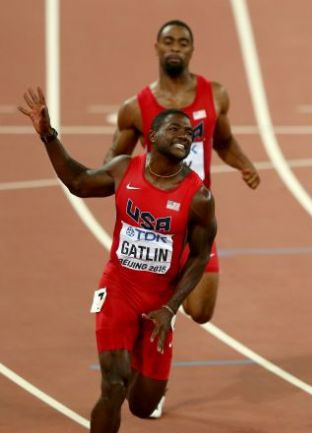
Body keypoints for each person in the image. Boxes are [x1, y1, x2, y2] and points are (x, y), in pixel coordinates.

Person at [20, 87, 217, 433]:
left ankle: (150, 375)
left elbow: (200, 255)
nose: (184, 136)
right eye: (175, 129)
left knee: (143, 406)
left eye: (189, 133)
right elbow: (79, 182)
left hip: (160, 304)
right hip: (119, 290)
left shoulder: (199, 197)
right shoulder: (125, 168)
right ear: (152, 136)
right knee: (114, 383)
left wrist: (171, 307)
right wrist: (49, 136)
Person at [103, 19, 259, 327]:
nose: (175, 48)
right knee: (144, 312)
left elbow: (224, 141)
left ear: (192, 50)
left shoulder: (214, 95)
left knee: (201, 311)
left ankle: (171, 289)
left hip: (195, 218)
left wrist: (244, 163)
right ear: (157, 47)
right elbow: (114, 159)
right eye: (169, 41)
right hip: (155, 224)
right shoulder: (135, 107)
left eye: (182, 43)